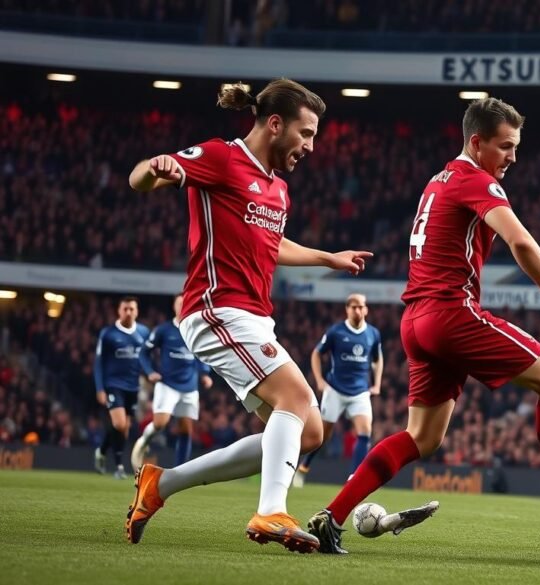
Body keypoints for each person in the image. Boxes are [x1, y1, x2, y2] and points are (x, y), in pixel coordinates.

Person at [305, 97, 540, 554]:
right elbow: (521, 242)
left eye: (516, 146)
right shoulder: (475, 180)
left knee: (422, 437)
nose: (513, 156)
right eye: (506, 146)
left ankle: (332, 517)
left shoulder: (437, 180)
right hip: (451, 313)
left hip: (416, 321)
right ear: (477, 142)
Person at [124, 79, 374, 553]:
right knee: (297, 401)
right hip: (216, 308)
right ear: (275, 124)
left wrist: (328, 258)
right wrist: (154, 170)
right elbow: (142, 179)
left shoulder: (278, 188)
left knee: (310, 431)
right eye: (305, 133)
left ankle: (162, 483)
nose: (311, 146)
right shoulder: (222, 157)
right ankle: (270, 511)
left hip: (254, 316)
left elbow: (272, 244)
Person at [293, 293, 383, 487]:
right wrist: (319, 380)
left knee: (365, 431)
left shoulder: (373, 334)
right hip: (335, 390)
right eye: (353, 307)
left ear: (366, 309)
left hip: (360, 391)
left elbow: (377, 359)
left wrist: (377, 383)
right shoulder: (336, 332)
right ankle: (304, 467)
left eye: (361, 307)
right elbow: (316, 354)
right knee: (322, 436)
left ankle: (354, 478)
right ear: (347, 309)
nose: (357, 310)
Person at [132, 294, 214, 471]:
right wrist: (150, 372)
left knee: (186, 429)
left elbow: (203, 354)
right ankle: (143, 441)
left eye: (187, 303)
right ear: (174, 306)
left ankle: (180, 470)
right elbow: (143, 353)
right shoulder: (163, 330)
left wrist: (205, 374)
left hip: (190, 386)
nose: (184, 306)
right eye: (180, 303)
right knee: (160, 423)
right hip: (167, 384)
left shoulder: (196, 330)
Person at [94, 296, 150, 479]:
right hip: (113, 385)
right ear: (119, 311)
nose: (128, 312)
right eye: (125, 309)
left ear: (137, 311)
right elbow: (98, 363)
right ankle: (118, 467)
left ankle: (101, 451)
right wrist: (100, 388)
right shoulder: (108, 333)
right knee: (119, 424)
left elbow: (147, 358)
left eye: (131, 309)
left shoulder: (143, 332)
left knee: (125, 428)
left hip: (133, 387)